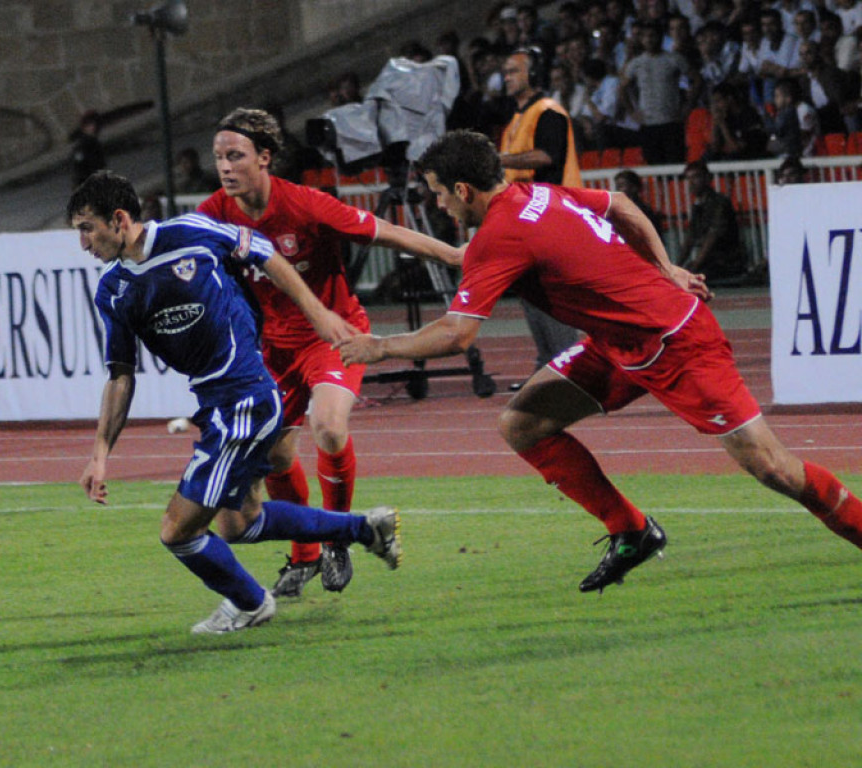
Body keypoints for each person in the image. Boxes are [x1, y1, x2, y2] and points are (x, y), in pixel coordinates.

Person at [337, 129, 862, 594]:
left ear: (463, 190)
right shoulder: (536, 194)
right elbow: (622, 205)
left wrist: (380, 347)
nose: (438, 205)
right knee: (523, 423)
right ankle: (631, 530)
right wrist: (666, 268)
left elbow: (457, 335)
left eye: (437, 194)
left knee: (773, 467)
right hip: (617, 343)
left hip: (676, 342)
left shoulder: (500, 234)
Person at [67, 170, 402, 634]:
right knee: (239, 523)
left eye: (88, 228)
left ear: (119, 219)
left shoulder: (190, 234)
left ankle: (250, 603)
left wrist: (318, 313)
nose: (83, 243)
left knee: (177, 530)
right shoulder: (113, 288)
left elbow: (266, 253)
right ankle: (365, 529)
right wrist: (100, 454)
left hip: (244, 399)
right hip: (218, 406)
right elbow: (120, 375)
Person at [198, 108, 463, 598]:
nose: (225, 167)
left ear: (265, 157)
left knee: (330, 428)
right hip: (272, 349)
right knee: (276, 455)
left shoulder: (305, 204)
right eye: (219, 158)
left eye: (235, 156)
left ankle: (339, 537)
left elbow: (384, 231)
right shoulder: (213, 213)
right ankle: (305, 555)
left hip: (333, 335)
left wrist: (453, 255)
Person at [498, 47, 583, 382]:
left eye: (513, 71)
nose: (506, 77)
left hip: (552, 215)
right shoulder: (518, 118)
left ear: (533, 75)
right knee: (531, 293)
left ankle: (569, 368)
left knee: (550, 295)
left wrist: (499, 160)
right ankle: (549, 366)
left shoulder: (548, 111)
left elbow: (548, 156)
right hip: (527, 218)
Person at [621, 20, 701, 164]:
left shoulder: (674, 59)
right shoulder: (635, 63)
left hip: (671, 121)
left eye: (652, 35)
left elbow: (697, 80)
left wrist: (688, 107)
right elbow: (622, 88)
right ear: (641, 39)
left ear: (660, 37)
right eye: (645, 36)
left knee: (675, 163)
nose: (649, 40)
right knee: (654, 165)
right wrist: (632, 112)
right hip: (648, 123)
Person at [678, 159, 747, 283]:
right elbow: (690, 238)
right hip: (710, 262)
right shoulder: (697, 206)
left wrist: (696, 264)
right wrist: (675, 267)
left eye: (696, 177)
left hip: (726, 262)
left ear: (708, 178)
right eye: (688, 179)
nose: (691, 183)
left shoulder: (720, 203)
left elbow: (712, 237)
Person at [613, 169, 663, 236]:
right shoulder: (617, 210)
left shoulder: (644, 211)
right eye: (617, 186)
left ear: (634, 187)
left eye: (621, 186)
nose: (618, 190)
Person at [70, 109, 106, 189]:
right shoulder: (82, 145)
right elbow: (79, 167)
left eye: (93, 124)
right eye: (88, 125)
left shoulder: (94, 143)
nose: (91, 128)